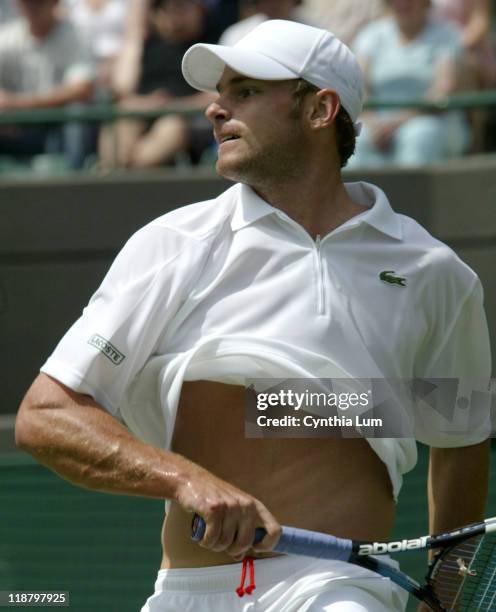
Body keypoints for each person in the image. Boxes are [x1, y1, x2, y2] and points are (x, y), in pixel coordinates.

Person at [16, 19, 491, 612]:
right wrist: (188, 478)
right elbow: (45, 417)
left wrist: (445, 596)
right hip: (186, 592)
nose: (216, 110)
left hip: (337, 589)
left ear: (320, 109)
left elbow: (462, 436)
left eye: (244, 92)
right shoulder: (173, 243)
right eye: (220, 94)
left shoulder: (432, 272)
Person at [349, 0, 470, 168]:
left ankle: (411, 194)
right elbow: (360, 85)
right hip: (377, 121)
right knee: (358, 140)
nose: (402, 3)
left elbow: (443, 89)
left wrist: (397, 122)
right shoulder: (371, 35)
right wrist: (372, 122)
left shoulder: (447, 34)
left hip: (430, 119)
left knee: (419, 137)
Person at [99, 0, 215, 169]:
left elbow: (216, 95)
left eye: (182, 8)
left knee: (172, 126)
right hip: (144, 109)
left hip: (185, 117)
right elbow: (122, 87)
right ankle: (114, 175)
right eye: (165, 9)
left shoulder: (210, 45)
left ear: (199, 11)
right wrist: (144, 103)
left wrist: (172, 106)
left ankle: (128, 176)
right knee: (123, 117)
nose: (174, 17)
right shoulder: (143, 45)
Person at [0, 0, 95, 170]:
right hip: (17, 129)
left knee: (77, 113)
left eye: (39, 2)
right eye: (27, 2)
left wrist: (18, 103)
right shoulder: (8, 37)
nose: (33, 7)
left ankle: (76, 186)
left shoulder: (75, 35)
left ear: (54, 3)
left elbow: (83, 89)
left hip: (59, 128)